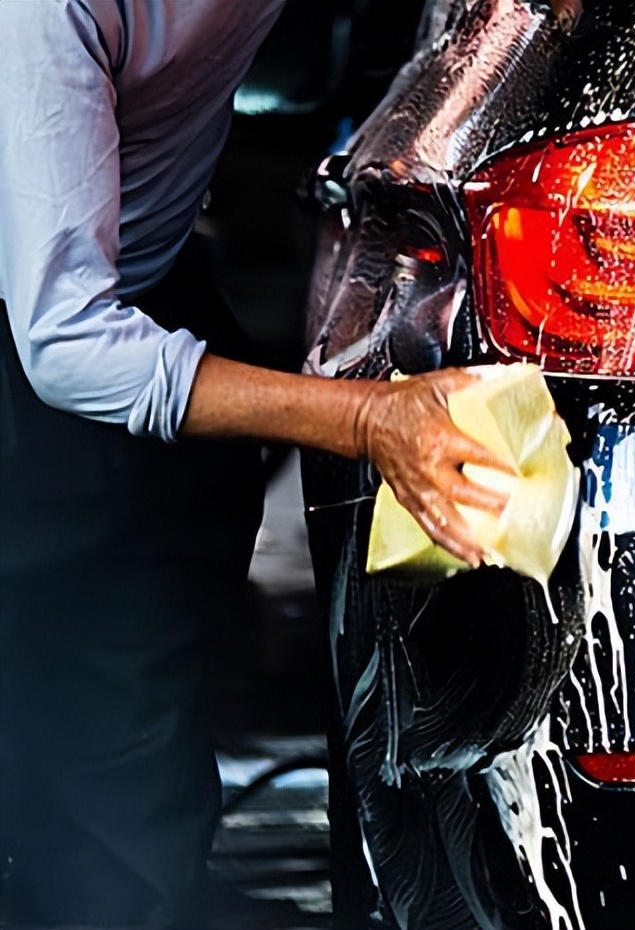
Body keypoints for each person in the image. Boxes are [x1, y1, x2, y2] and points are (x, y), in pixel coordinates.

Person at [0, 0, 575, 925]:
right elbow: (65, 342)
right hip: (40, 363)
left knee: (123, 823)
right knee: (68, 804)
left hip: (150, 302)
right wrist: (368, 420)